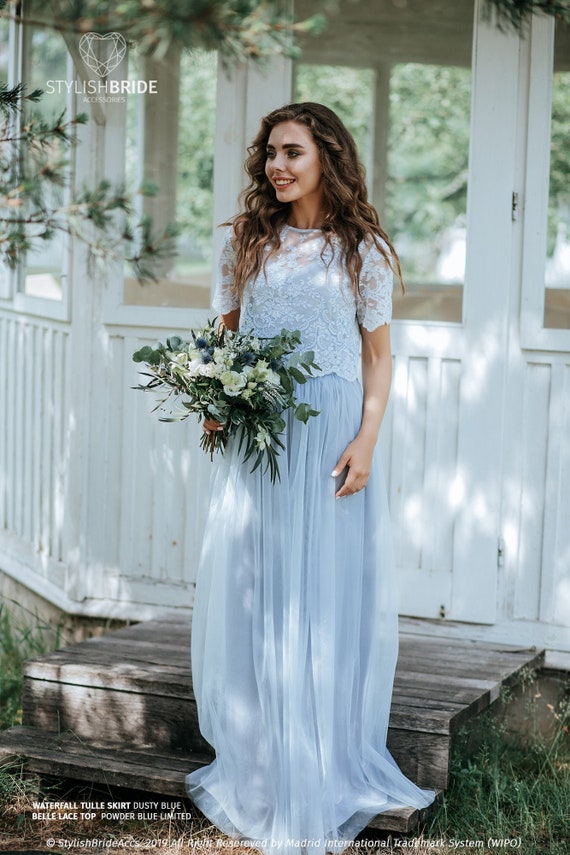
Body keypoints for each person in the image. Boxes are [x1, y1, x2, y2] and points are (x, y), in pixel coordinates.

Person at [185, 102, 435, 853]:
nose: (276, 165)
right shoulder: (244, 243)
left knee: (321, 590)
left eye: (291, 151)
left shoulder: (362, 250)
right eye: (269, 153)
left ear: (327, 155)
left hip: (328, 432)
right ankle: (263, 762)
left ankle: (321, 761)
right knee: (257, 581)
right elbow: (223, 338)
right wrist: (213, 400)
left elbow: (379, 358)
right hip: (263, 434)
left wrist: (366, 436)